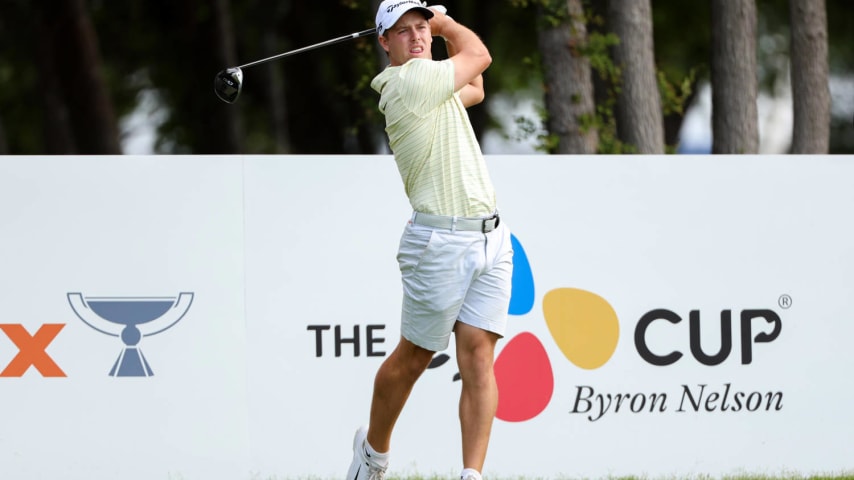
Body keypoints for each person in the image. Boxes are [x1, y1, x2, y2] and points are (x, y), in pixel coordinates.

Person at [346, 1, 513, 480]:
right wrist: (445, 24)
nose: (417, 37)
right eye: (404, 31)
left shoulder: (435, 86)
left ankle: (471, 475)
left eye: (422, 28)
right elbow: (478, 56)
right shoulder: (408, 83)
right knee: (414, 357)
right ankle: (372, 456)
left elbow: (475, 87)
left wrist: (438, 33)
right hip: (440, 242)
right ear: (384, 43)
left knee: (479, 355)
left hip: (491, 237)